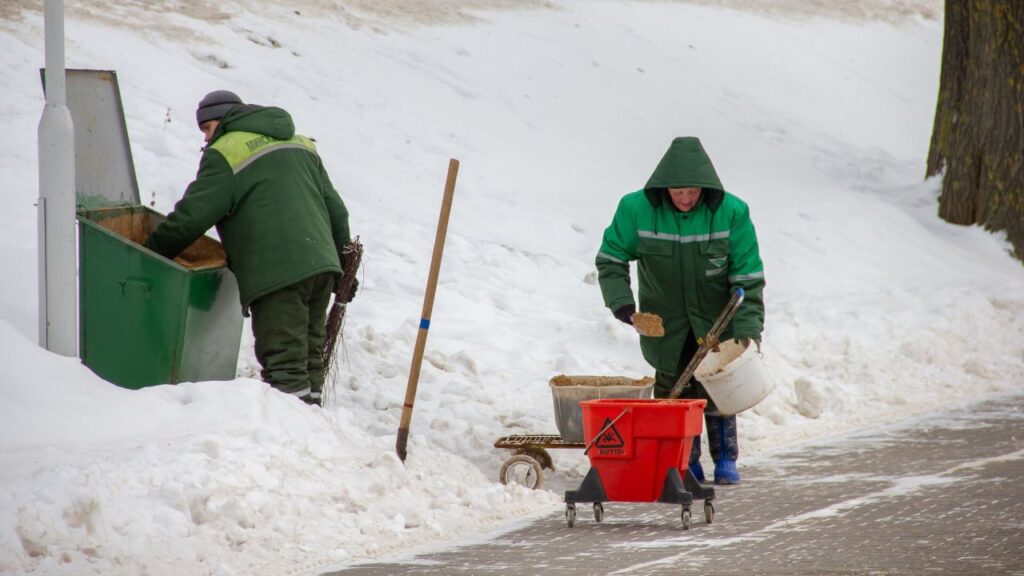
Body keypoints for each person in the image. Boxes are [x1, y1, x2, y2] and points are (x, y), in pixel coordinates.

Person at [144, 90, 354, 406]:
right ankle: (313, 426)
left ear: (222, 120)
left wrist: (150, 253)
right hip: (321, 264)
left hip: (277, 271)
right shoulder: (300, 143)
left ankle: (292, 439)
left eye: (206, 127)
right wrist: (343, 264)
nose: (205, 137)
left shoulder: (225, 152)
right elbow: (336, 209)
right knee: (310, 358)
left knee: (284, 364)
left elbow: (193, 215)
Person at [595, 136, 765, 484]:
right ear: (663, 188)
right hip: (666, 325)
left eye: (693, 191)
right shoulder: (636, 210)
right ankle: (685, 463)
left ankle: (726, 460)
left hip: (718, 321)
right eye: (678, 191)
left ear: (706, 187)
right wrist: (624, 307)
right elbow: (611, 260)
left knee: (720, 389)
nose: (686, 198)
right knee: (674, 391)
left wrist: (748, 333)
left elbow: (749, 277)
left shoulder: (731, 212)